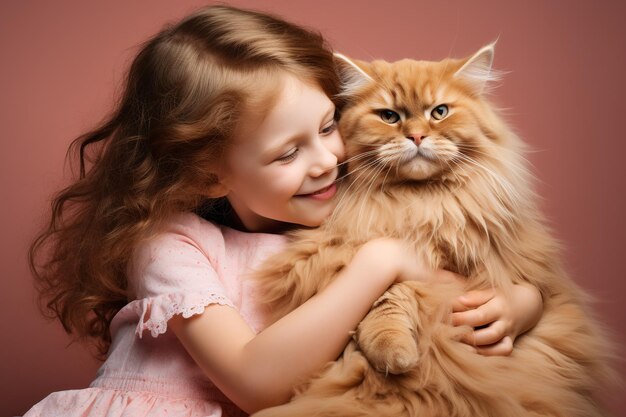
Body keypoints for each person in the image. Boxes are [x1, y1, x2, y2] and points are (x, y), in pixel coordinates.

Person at [25, 5, 543, 417]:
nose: (326, 163)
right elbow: (255, 385)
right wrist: (380, 261)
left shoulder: (336, 215)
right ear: (210, 174)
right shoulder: (170, 245)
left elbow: (450, 272)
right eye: (287, 153)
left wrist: (523, 302)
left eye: (326, 128)